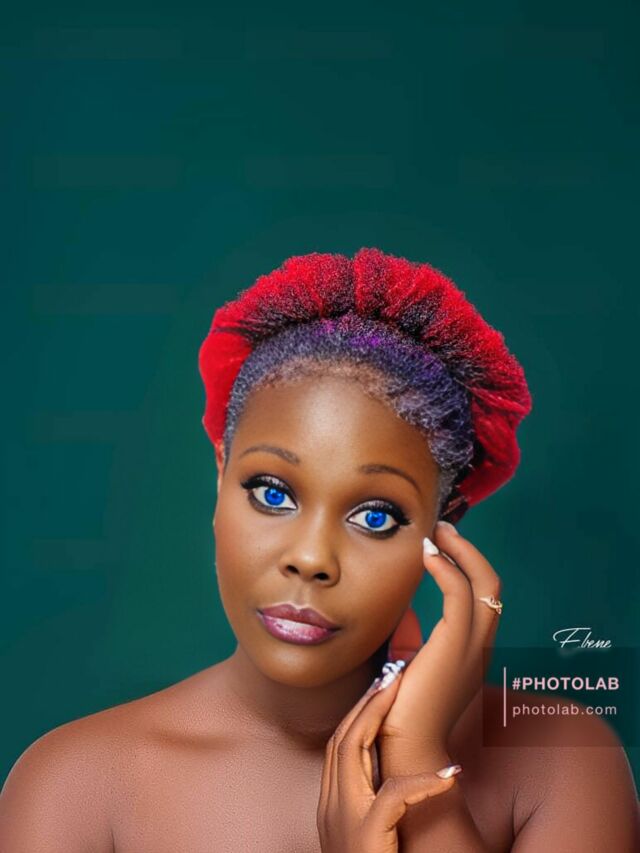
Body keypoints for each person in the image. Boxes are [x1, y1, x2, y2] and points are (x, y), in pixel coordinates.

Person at [1, 248, 638, 851]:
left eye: (375, 516)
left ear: (441, 532)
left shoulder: (556, 762)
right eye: (272, 493)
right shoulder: (75, 788)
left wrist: (416, 760)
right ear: (220, 477)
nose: (310, 559)